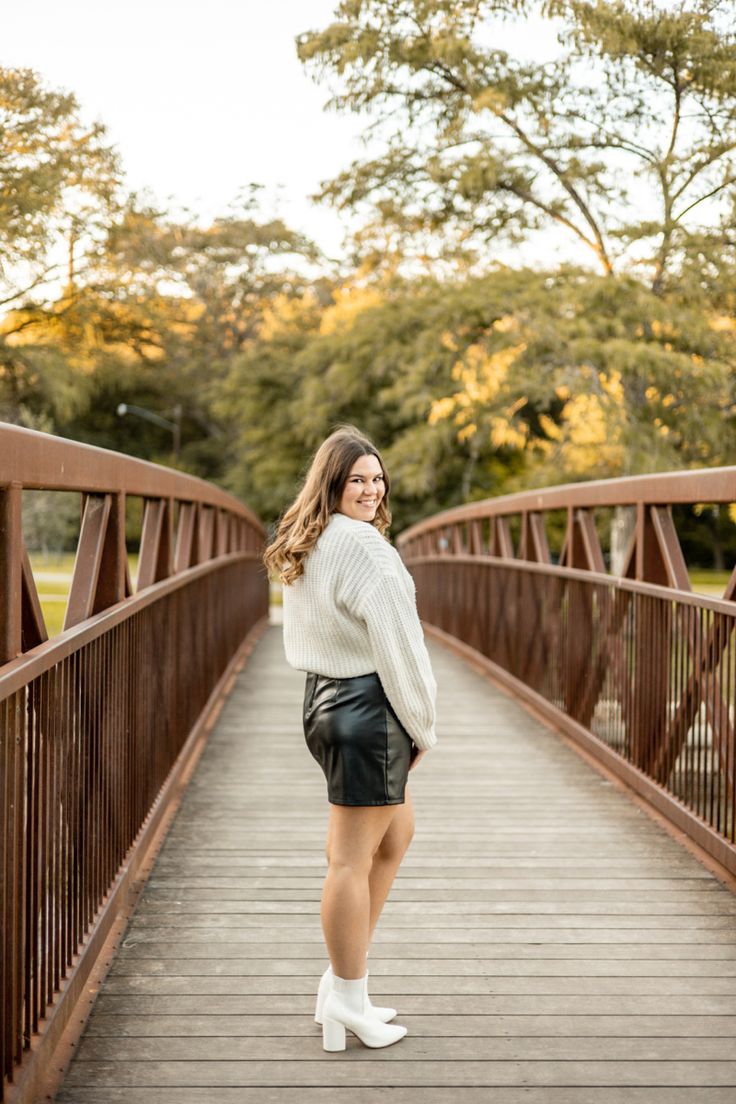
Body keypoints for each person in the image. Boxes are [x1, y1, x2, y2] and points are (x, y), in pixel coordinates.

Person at [263, 424, 438, 1052]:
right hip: (368, 709)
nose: (371, 488)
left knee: (396, 835)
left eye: (376, 477)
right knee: (349, 859)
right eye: (356, 479)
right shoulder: (365, 548)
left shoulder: (314, 540)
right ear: (331, 484)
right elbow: (402, 650)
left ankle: (342, 982)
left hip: (325, 702)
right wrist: (422, 726)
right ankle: (347, 994)